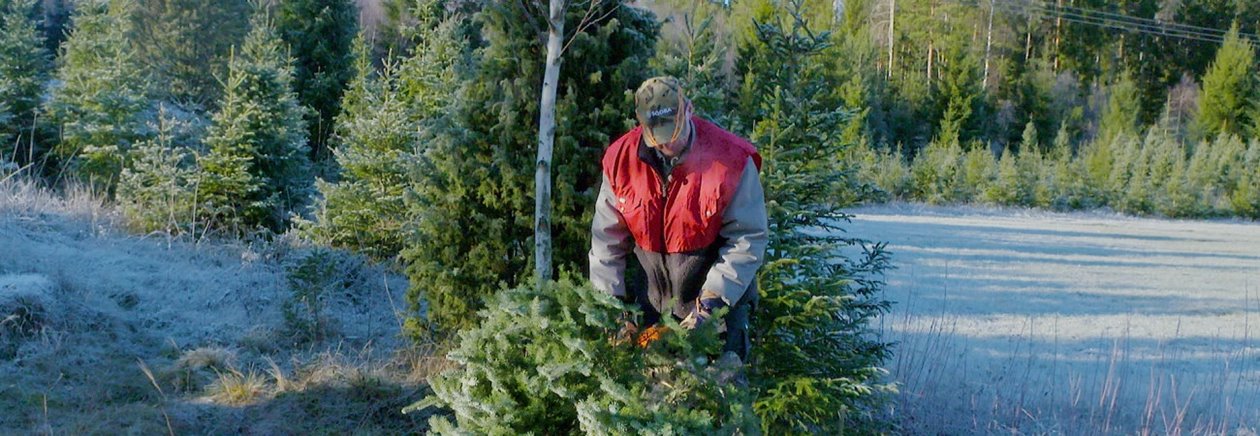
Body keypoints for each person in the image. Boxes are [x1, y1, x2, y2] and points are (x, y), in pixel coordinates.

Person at [589, 76, 768, 361]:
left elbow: (747, 237)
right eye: (657, 138)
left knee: (718, 396)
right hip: (651, 308)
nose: (667, 144)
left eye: (674, 132)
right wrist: (614, 310)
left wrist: (712, 304)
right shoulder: (621, 160)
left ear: (688, 109)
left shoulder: (731, 160)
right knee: (650, 399)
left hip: (716, 307)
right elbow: (605, 243)